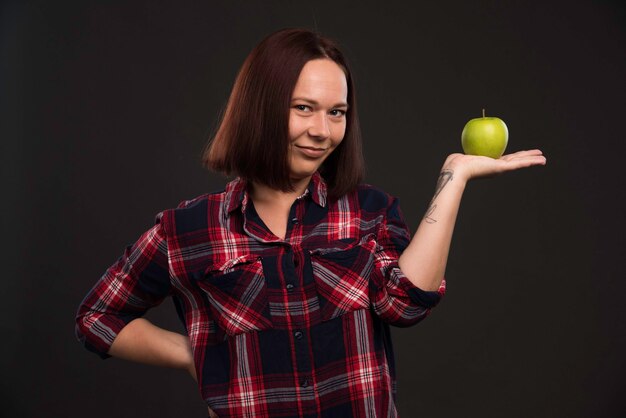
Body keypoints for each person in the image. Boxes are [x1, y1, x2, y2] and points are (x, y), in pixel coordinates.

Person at [75, 28, 546, 417]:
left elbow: (406, 304)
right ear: (259, 107)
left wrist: (454, 177)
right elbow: (97, 318)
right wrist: (191, 354)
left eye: (336, 113)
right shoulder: (188, 230)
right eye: (303, 108)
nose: (322, 131)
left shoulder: (369, 211)